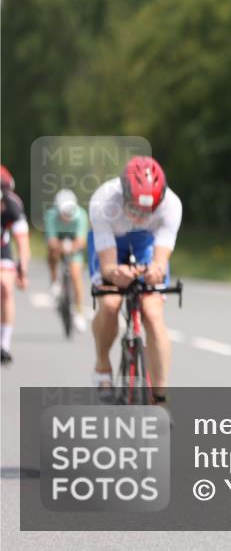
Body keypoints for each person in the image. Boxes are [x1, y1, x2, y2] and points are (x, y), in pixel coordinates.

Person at [88, 156, 182, 401]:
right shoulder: (103, 201)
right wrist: (114, 273)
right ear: (123, 194)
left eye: (148, 210)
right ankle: (102, 365)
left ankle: (159, 398)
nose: (140, 215)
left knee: (153, 312)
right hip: (112, 242)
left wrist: (156, 270)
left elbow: (160, 261)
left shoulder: (172, 205)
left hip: (145, 242)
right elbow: (108, 266)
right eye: (134, 208)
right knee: (109, 303)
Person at [44, 188, 89, 332]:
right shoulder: (51, 216)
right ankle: (54, 281)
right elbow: (51, 241)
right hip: (58, 243)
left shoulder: (81, 215)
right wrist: (60, 247)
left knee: (76, 275)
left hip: (73, 244)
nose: (67, 216)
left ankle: (79, 312)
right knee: (52, 254)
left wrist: (72, 247)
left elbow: (81, 241)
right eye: (64, 213)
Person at [1, 165, 30, 364]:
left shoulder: (13, 205)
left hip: (2, 247)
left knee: (5, 286)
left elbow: (22, 241)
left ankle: (4, 344)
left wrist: (23, 270)